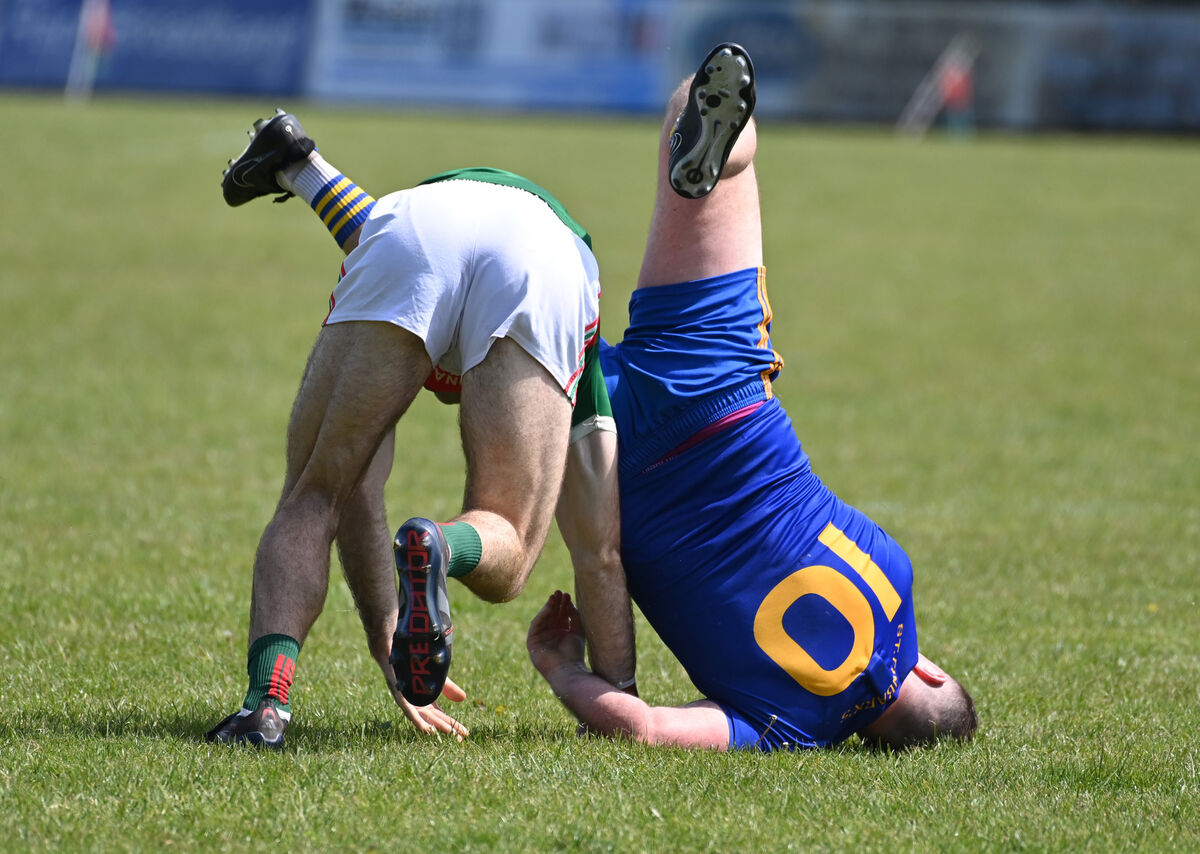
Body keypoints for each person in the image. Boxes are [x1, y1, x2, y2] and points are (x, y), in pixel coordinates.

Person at [525, 43, 978, 751]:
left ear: (928, 673)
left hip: (725, 398)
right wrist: (562, 670)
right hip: (619, 479)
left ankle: (713, 158)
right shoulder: (794, 729)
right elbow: (645, 728)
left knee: (692, 112)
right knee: (474, 331)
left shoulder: (895, 575)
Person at [206, 109, 634, 748]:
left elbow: (354, 496)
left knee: (315, 492)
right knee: (508, 541)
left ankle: (264, 708)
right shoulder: (584, 352)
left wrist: (389, 638)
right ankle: (443, 542)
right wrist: (619, 696)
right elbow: (598, 553)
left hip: (414, 220)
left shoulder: (392, 237)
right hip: (545, 255)